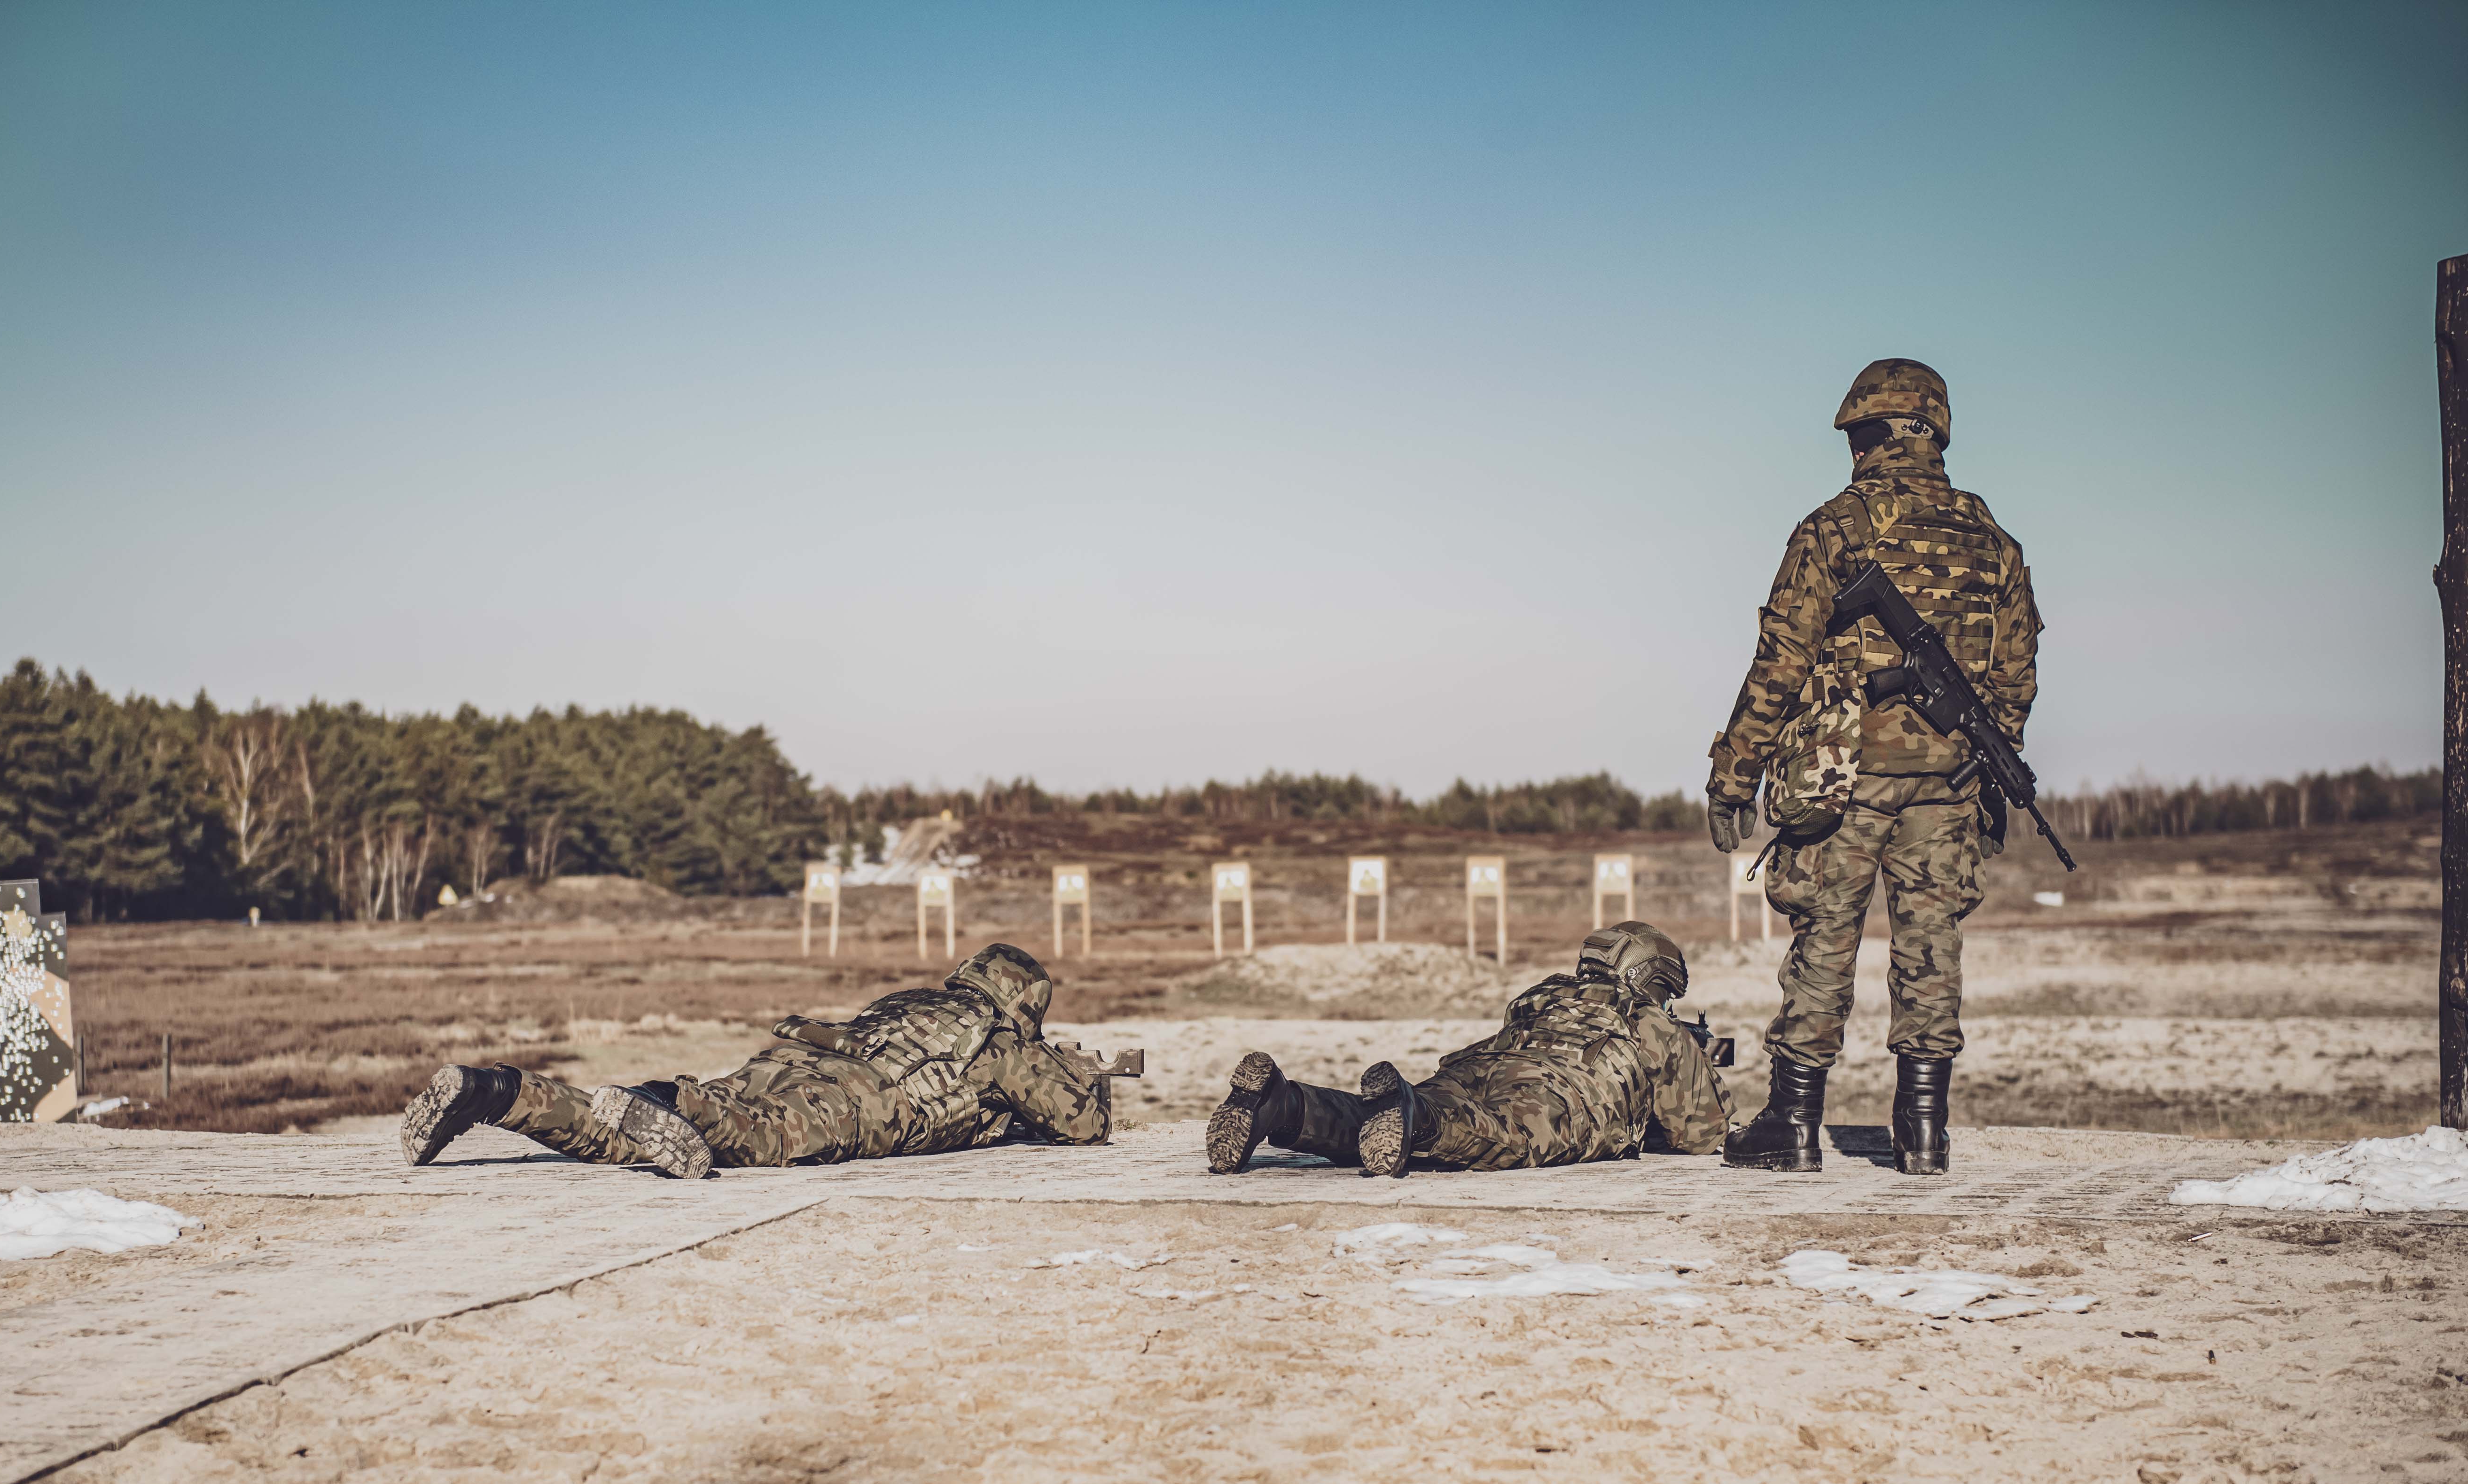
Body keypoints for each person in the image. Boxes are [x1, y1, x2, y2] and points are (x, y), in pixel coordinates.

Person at [1703, 359, 2042, 1176]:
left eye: (1859, 433)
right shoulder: (1991, 540)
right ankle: (1924, 1132)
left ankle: (1792, 1124)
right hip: (1947, 782)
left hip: (1841, 775)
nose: (1854, 447)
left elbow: (1780, 660)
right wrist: (1994, 761)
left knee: (1824, 941)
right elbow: (2017, 669)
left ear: (1873, 434)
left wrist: (1733, 771)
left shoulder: (1834, 528)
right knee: (1931, 950)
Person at [399, 942, 1109, 1175]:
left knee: (642, 1143)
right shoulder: (1004, 1042)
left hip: (789, 1063)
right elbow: (1079, 1128)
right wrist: (1087, 1077)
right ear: (1026, 1004)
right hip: (854, 1103)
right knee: (744, 1138)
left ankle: (496, 1091)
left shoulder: (913, 1000)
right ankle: (666, 1100)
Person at [1203, 922, 1730, 1178]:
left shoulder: (1545, 991)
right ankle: (1418, 1115)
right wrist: (1700, 1067)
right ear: (1650, 977)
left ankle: (1285, 1103)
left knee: (1380, 1115)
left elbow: (1516, 1033)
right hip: (1563, 1087)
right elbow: (1700, 1135)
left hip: (1483, 1062)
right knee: (1505, 1137)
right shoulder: (1651, 1023)